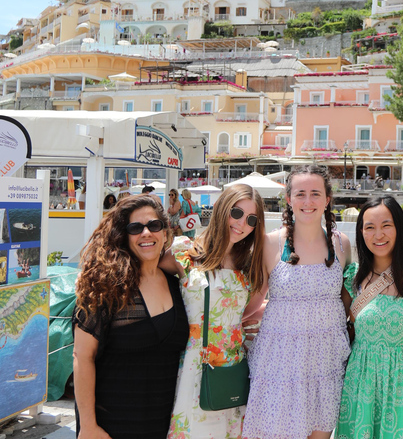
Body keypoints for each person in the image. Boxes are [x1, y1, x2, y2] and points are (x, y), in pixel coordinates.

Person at [243, 165, 352, 439]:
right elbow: (253, 303)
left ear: (327, 199)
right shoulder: (270, 244)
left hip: (326, 362)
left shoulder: (342, 244)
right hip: (280, 363)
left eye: (315, 193)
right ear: (289, 199)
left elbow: (345, 299)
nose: (308, 201)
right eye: (300, 194)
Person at [73, 195, 189, 439]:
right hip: (112, 424)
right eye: (136, 228)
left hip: (165, 424)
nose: (146, 233)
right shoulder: (105, 287)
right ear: (123, 236)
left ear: (166, 234)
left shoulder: (178, 285)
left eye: (154, 226)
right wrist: (88, 427)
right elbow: (83, 357)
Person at [163, 184, 267, 438]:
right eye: (237, 213)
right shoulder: (184, 252)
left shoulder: (250, 265)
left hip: (232, 368)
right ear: (222, 209)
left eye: (251, 219)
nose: (242, 223)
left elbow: (249, 312)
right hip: (191, 364)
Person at [336, 196, 403, 439]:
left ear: (400, 227)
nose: (378, 235)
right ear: (361, 233)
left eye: (386, 225)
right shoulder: (353, 277)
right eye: (370, 227)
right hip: (360, 388)